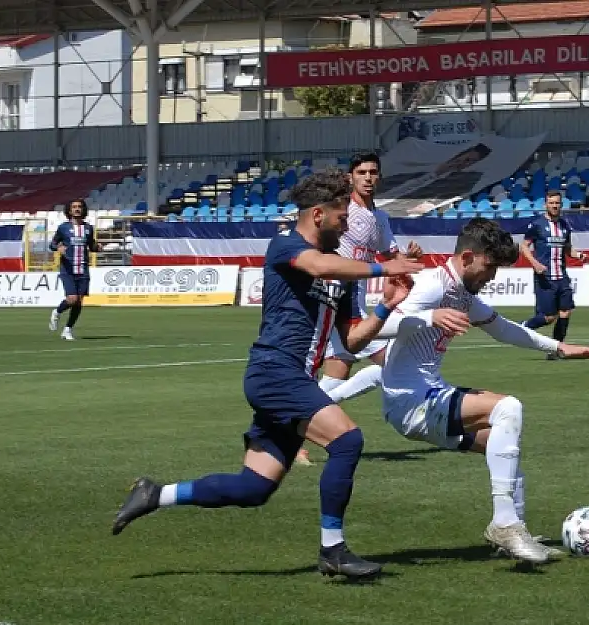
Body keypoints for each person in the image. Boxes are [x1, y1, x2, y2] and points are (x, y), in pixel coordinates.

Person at [110, 172, 424, 580]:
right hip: (274, 372)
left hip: (292, 380)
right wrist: (382, 266)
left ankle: (156, 494)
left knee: (254, 488)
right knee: (348, 440)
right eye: (341, 217)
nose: (347, 225)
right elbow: (316, 264)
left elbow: (349, 340)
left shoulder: (341, 272)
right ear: (317, 215)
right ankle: (333, 549)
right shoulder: (287, 246)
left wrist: (387, 306)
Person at [337, 218, 589, 564]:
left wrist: (561, 348)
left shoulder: (462, 294)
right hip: (411, 403)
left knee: (503, 444)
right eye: (489, 266)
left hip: (426, 397)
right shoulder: (433, 286)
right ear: (466, 257)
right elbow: (372, 330)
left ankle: (515, 530)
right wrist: (429, 316)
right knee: (508, 408)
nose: (491, 277)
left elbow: (505, 329)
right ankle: (504, 525)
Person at [293, 152, 423, 468]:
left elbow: (390, 253)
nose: (368, 177)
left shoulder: (379, 218)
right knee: (388, 362)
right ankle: (426, 414)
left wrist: (407, 256)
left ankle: (296, 426)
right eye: (361, 172)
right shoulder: (342, 209)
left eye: (373, 172)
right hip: (334, 293)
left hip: (352, 297)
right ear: (351, 176)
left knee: (339, 370)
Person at [520, 190, 588, 357]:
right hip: (545, 277)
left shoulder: (564, 226)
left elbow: (567, 248)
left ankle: (556, 350)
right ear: (546, 205)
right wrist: (535, 263)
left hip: (561, 276)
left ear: (561, 205)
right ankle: (523, 326)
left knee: (566, 312)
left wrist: (579, 255)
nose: (555, 206)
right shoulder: (536, 225)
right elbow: (523, 246)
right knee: (549, 317)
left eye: (557, 203)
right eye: (551, 203)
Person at [48, 198, 100, 341]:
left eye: (79, 207)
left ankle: (67, 329)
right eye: (74, 207)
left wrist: (97, 248)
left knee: (79, 302)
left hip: (83, 269)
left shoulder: (88, 228)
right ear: (69, 210)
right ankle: (57, 312)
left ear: (83, 210)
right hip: (68, 269)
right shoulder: (63, 228)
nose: (77, 209)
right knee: (72, 299)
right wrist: (58, 247)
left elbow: (92, 246)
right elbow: (52, 244)